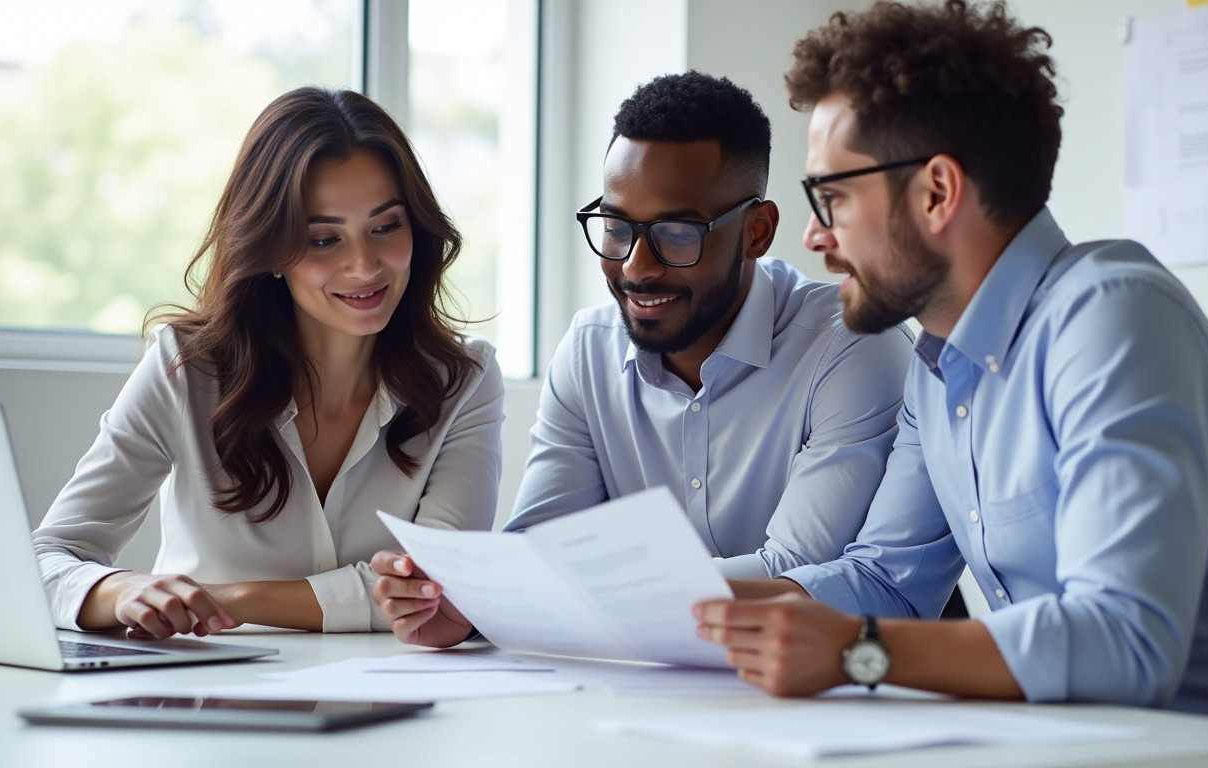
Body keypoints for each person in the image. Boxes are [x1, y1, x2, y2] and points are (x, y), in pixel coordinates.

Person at [693, 0, 1208, 720]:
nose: (815, 238)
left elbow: (1126, 640)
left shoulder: (1117, 320)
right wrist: (659, 601)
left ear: (938, 192)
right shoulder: (937, 366)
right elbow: (886, 582)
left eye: (833, 198)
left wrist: (858, 651)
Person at [371, 71, 912, 648]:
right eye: (617, 227)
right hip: (651, 689)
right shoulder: (589, 348)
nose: (636, 266)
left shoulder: (850, 344)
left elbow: (796, 571)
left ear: (757, 232)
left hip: (844, 690)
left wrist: (557, 593)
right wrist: (467, 601)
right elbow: (539, 544)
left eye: (678, 233)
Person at [32, 86, 504, 638]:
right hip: (203, 697)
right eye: (324, 240)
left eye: (385, 227)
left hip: (385, 702)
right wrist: (120, 590)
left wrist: (227, 599)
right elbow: (48, 559)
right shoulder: (187, 368)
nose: (364, 265)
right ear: (272, 250)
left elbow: (438, 592)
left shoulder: (463, 381)